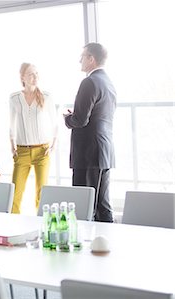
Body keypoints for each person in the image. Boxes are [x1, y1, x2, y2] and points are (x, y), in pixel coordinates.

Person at [64, 42, 116, 222]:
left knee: (84, 207)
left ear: (91, 59)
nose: (80, 60)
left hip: (88, 153)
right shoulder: (108, 82)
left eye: (83, 56)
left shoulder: (89, 81)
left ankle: (84, 246)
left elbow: (80, 120)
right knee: (103, 205)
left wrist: (67, 118)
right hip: (104, 152)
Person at [9, 63, 57, 214]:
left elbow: (55, 123)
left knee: (41, 193)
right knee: (15, 193)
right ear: (22, 77)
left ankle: (42, 226)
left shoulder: (47, 97)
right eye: (31, 74)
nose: (35, 77)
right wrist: (12, 145)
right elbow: (11, 124)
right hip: (21, 151)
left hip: (42, 151)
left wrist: (53, 146)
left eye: (36, 74)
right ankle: (13, 225)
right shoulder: (14, 98)